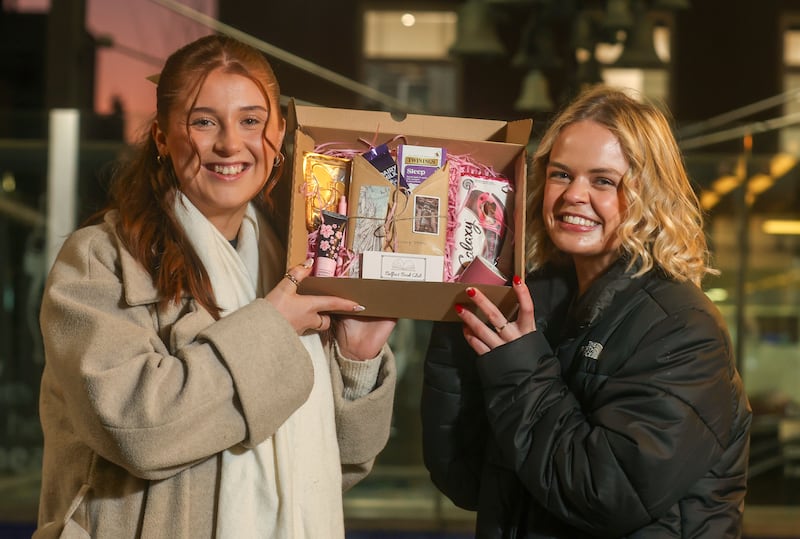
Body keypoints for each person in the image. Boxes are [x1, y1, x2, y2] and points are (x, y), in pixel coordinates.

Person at [35, 34, 397, 539]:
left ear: (279, 134)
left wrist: (356, 364)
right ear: (162, 137)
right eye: (204, 121)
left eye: (251, 121)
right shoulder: (100, 259)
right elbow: (135, 430)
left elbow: (335, 469)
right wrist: (271, 329)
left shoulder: (296, 267)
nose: (230, 143)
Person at [421, 85, 751, 538]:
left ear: (650, 196)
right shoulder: (537, 309)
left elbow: (606, 493)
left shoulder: (683, 329)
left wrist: (518, 369)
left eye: (603, 180)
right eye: (561, 174)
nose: (574, 194)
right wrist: (457, 310)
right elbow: (467, 480)